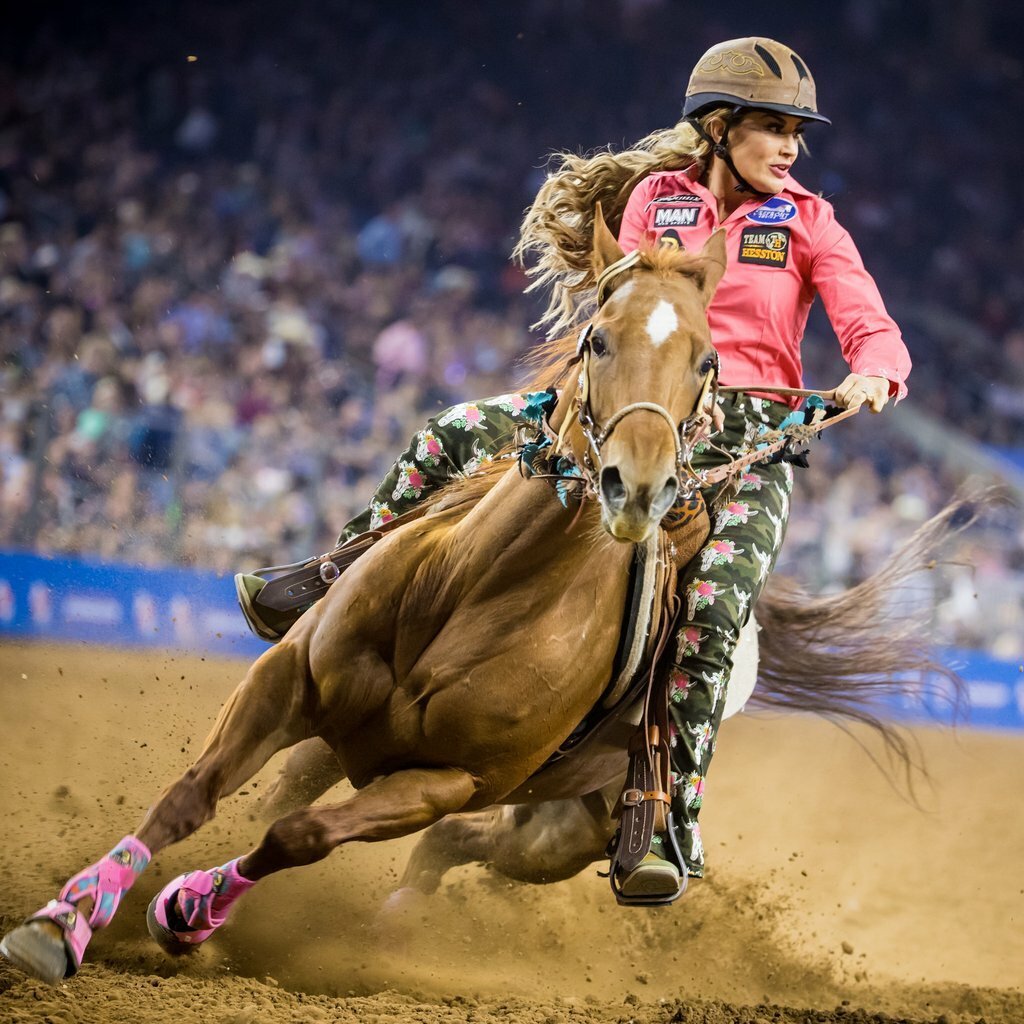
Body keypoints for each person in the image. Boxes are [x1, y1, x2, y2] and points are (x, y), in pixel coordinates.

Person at [236, 37, 911, 898]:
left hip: (746, 439)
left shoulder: (810, 222)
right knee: (448, 432)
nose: (789, 146)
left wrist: (873, 372)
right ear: (716, 126)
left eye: (795, 132)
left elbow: (867, 319)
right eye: (772, 127)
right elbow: (622, 309)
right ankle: (329, 578)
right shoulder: (652, 204)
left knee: (710, 618)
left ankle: (664, 814)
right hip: (631, 405)